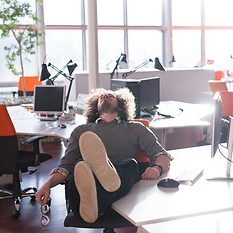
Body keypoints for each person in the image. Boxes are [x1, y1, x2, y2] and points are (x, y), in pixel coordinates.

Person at [35, 87, 171, 223]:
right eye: (101, 97)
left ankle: (101, 194)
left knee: (130, 164)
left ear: (121, 108)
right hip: (84, 195)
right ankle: (99, 196)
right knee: (79, 166)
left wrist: (156, 168)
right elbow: (65, 167)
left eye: (110, 96)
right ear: (95, 110)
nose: (105, 95)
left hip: (121, 185)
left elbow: (161, 155)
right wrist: (47, 184)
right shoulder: (81, 131)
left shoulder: (136, 128)